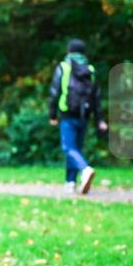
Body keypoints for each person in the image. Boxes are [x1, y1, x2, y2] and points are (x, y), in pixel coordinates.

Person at [48, 39, 107, 194]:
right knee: (75, 148)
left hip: (67, 114)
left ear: (69, 51)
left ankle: (85, 170)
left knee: (68, 148)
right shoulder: (90, 69)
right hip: (85, 115)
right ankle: (70, 182)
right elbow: (96, 97)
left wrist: (52, 114)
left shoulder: (64, 66)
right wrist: (100, 119)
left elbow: (55, 92)